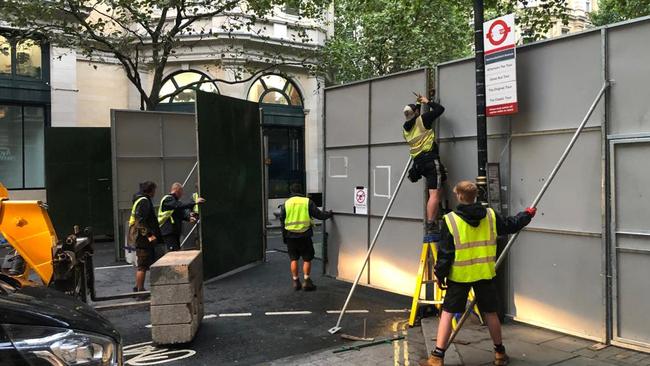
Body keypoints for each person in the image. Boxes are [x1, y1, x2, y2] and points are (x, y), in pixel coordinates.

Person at [420, 181, 536, 366]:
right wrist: (527, 215)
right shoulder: (490, 215)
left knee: (448, 313)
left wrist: (439, 275)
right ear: (475, 196)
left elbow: (445, 254)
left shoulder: (450, 220)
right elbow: (510, 225)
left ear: (459, 196)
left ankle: (437, 357)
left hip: (459, 277)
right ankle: (499, 353)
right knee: (491, 313)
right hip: (484, 274)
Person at [403, 94, 447, 236]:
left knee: (440, 182)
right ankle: (431, 223)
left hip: (419, 163)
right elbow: (440, 109)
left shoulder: (405, 129)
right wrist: (428, 101)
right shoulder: (423, 120)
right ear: (416, 112)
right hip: (430, 159)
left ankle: (439, 209)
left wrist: (418, 104)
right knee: (433, 193)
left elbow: (415, 119)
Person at [280, 183, 333, 291]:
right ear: (301, 191)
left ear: (291, 191)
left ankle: (295, 281)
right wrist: (329, 214)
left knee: (293, 259)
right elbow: (319, 215)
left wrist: (284, 236)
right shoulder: (307, 202)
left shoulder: (286, 203)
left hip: (290, 235)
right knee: (307, 258)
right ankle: (307, 281)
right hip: (304, 235)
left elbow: (282, 220)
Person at [129, 181, 162, 293]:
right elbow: (141, 222)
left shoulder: (140, 200)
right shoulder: (144, 202)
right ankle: (140, 290)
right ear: (150, 190)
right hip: (142, 238)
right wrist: (150, 236)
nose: (155, 192)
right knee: (142, 265)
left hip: (139, 237)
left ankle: (137, 287)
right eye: (154, 190)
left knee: (142, 263)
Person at [158, 182, 205, 252]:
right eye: (181, 192)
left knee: (176, 251)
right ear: (177, 190)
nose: (181, 194)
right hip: (168, 231)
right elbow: (179, 206)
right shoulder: (168, 199)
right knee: (173, 252)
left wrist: (189, 218)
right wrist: (195, 202)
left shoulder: (174, 201)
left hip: (174, 231)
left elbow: (179, 213)